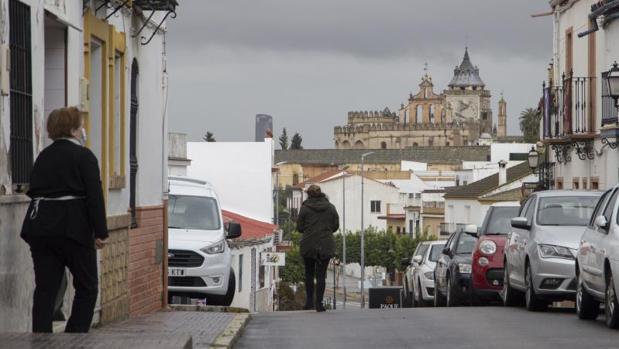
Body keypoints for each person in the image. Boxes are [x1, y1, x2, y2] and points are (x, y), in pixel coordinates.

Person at [20, 107, 108, 333]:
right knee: (87, 287)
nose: (82, 130)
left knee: (45, 289)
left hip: (40, 230)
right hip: (73, 228)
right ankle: (74, 336)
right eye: (80, 126)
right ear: (73, 129)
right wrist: (100, 232)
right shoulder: (84, 156)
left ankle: (41, 338)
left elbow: (35, 188)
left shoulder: (43, 156)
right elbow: (94, 196)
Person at [296, 184, 340, 312]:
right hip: (326, 244)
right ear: (321, 193)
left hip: (309, 244)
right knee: (321, 275)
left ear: (308, 194)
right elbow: (335, 226)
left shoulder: (304, 208)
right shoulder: (331, 208)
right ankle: (319, 304)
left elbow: (299, 227)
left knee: (309, 274)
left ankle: (309, 302)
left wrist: (309, 230)